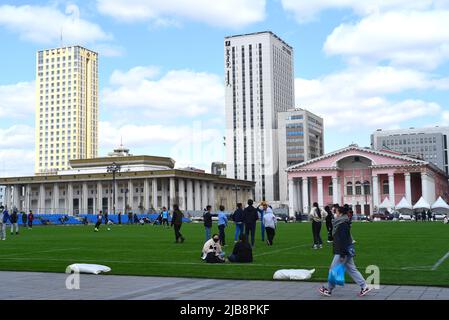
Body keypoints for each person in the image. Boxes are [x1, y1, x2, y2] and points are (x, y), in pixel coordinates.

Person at [319, 206, 373, 297]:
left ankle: (328, 289)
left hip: (342, 251)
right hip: (345, 250)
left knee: (333, 270)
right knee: (352, 269)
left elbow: (343, 239)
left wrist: (343, 254)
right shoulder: (342, 222)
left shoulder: (342, 223)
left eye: (335, 211)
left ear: (340, 213)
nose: (335, 213)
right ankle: (364, 286)